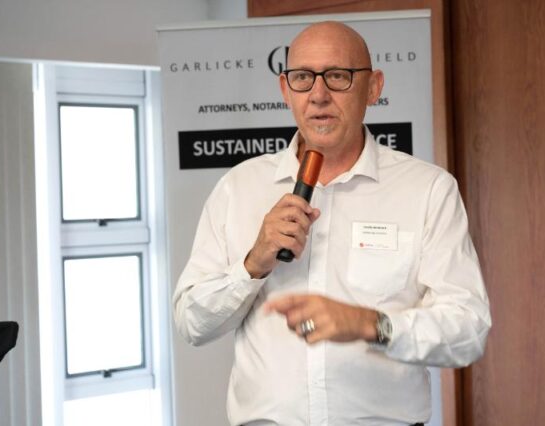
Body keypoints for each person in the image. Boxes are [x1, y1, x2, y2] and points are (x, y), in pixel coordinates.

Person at [174, 21, 491, 426]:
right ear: (285, 90)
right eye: (303, 78)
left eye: (338, 76)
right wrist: (253, 263)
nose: (319, 94)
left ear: (373, 87)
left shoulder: (427, 190)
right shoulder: (238, 187)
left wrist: (371, 324)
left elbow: (468, 329)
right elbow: (192, 324)